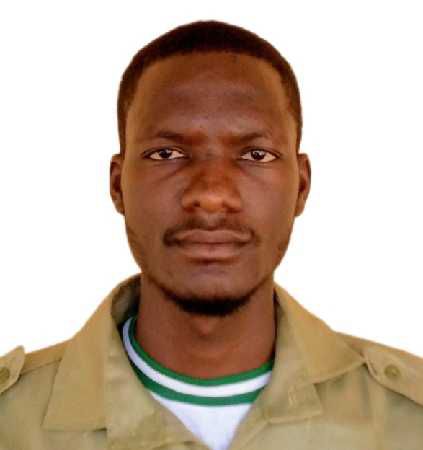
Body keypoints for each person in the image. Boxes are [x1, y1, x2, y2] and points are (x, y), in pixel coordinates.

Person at [1, 19, 422, 450]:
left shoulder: (409, 422)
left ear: (301, 186)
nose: (211, 195)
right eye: (167, 153)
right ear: (117, 185)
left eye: (255, 154)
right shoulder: (9, 422)